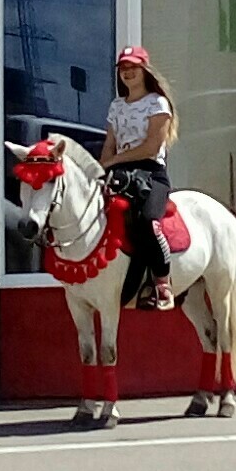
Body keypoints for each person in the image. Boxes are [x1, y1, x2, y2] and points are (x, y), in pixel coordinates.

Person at [100, 45, 179, 310]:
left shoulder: (157, 103)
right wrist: (102, 168)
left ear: (145, 70)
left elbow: (150, 147)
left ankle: (162, 284)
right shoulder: (117, 105)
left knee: (146, 222)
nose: (127, 72)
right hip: (120, 174)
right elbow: (109, 145)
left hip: (151, 173)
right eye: (123, 67)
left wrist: (113, 161)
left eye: (133, 66)